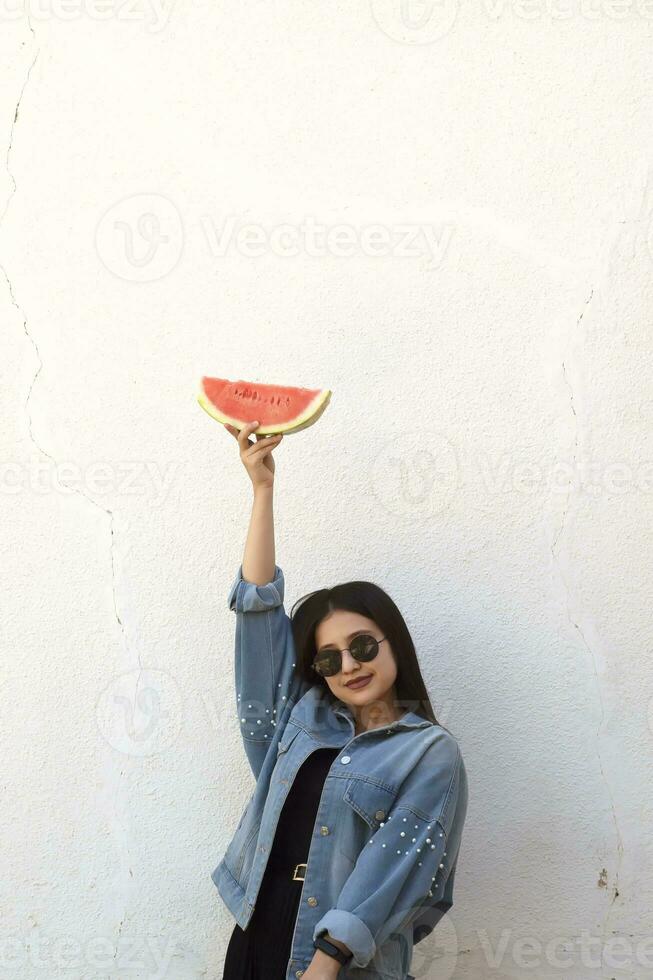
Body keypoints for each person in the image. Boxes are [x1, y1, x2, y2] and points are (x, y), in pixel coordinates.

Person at [214, 420, 468, 980]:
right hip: (260, 930)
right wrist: (262, 491)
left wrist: (325, 964)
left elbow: (396, 866)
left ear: (392, 642)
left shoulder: (429, 754)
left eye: (361, 646)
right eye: (328, 658)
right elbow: (258, 623)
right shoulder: (298, 721)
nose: (349, 665)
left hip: (346, 957)